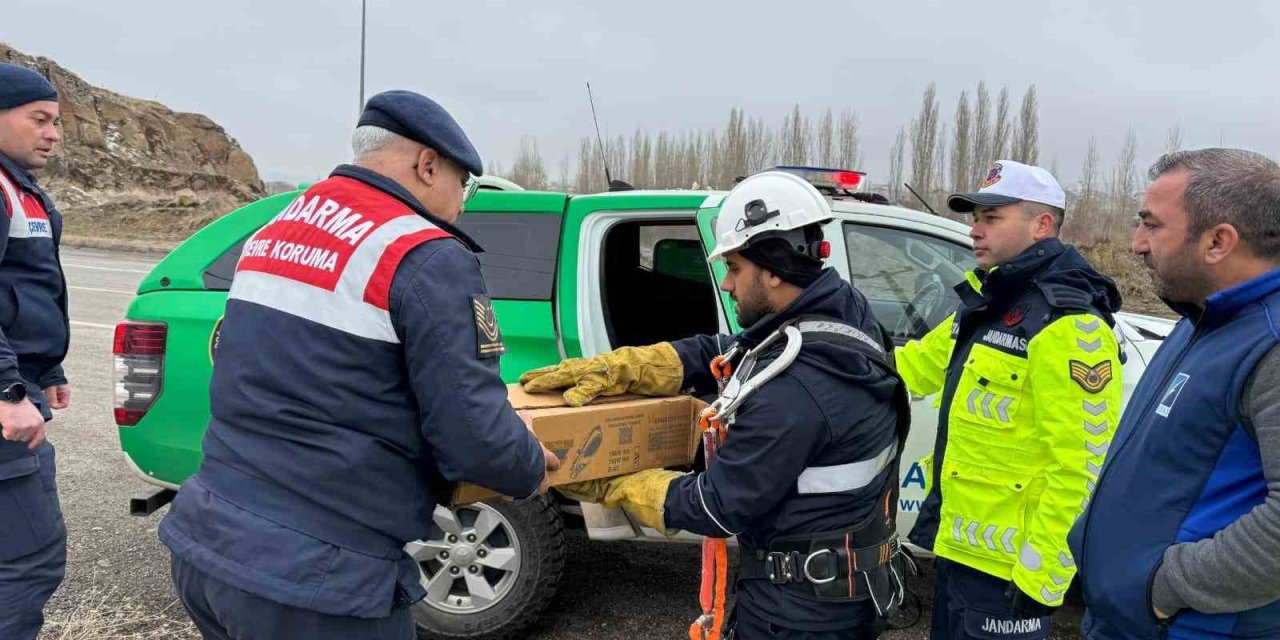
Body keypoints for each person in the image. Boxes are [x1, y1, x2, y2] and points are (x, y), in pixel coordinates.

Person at [158, 90, 559, 640]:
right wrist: (532, 466)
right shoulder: (425, 253)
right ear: (427, 164)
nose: (463, 203)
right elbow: (472, 435)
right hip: (317, 581)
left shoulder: (276, 228)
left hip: (209, 541)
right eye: (461, 184)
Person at [521, 171, 911, 639]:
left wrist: (611, 483)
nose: (726, 283)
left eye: (735, 268)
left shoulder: (797, 393)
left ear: (773, 268)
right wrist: (625, 366)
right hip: (837, 589)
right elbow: (735, 349)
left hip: (800, 616)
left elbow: (715, 506)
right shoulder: (843, 312)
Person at [894, 160, 1123, 639]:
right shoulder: (989, 301)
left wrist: (1043, 577)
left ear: (1042, 225)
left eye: (991, 218)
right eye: (975, 217)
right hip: (959, 553)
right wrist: (817, 346)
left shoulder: (1070, 323)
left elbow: (1084, 466)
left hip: (1011, 574)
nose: (974, 230)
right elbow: (912, 368)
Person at [1068, 149, 1280, 639]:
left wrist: (1166, 590)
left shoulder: (1269, 341)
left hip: (1187, 627)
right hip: (1128, 620)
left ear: (1218, 241)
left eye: (1151, 225)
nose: (1137, 244)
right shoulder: (1204, 319)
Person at [0, 63, 72, 640]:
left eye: (57, 123)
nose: (53, 134)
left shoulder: (18, 188)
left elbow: (23, 288)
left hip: (18, 380)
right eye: (39, 120)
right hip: (4, 405)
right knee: (28, 561)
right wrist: (9, 389)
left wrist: (46, 366)